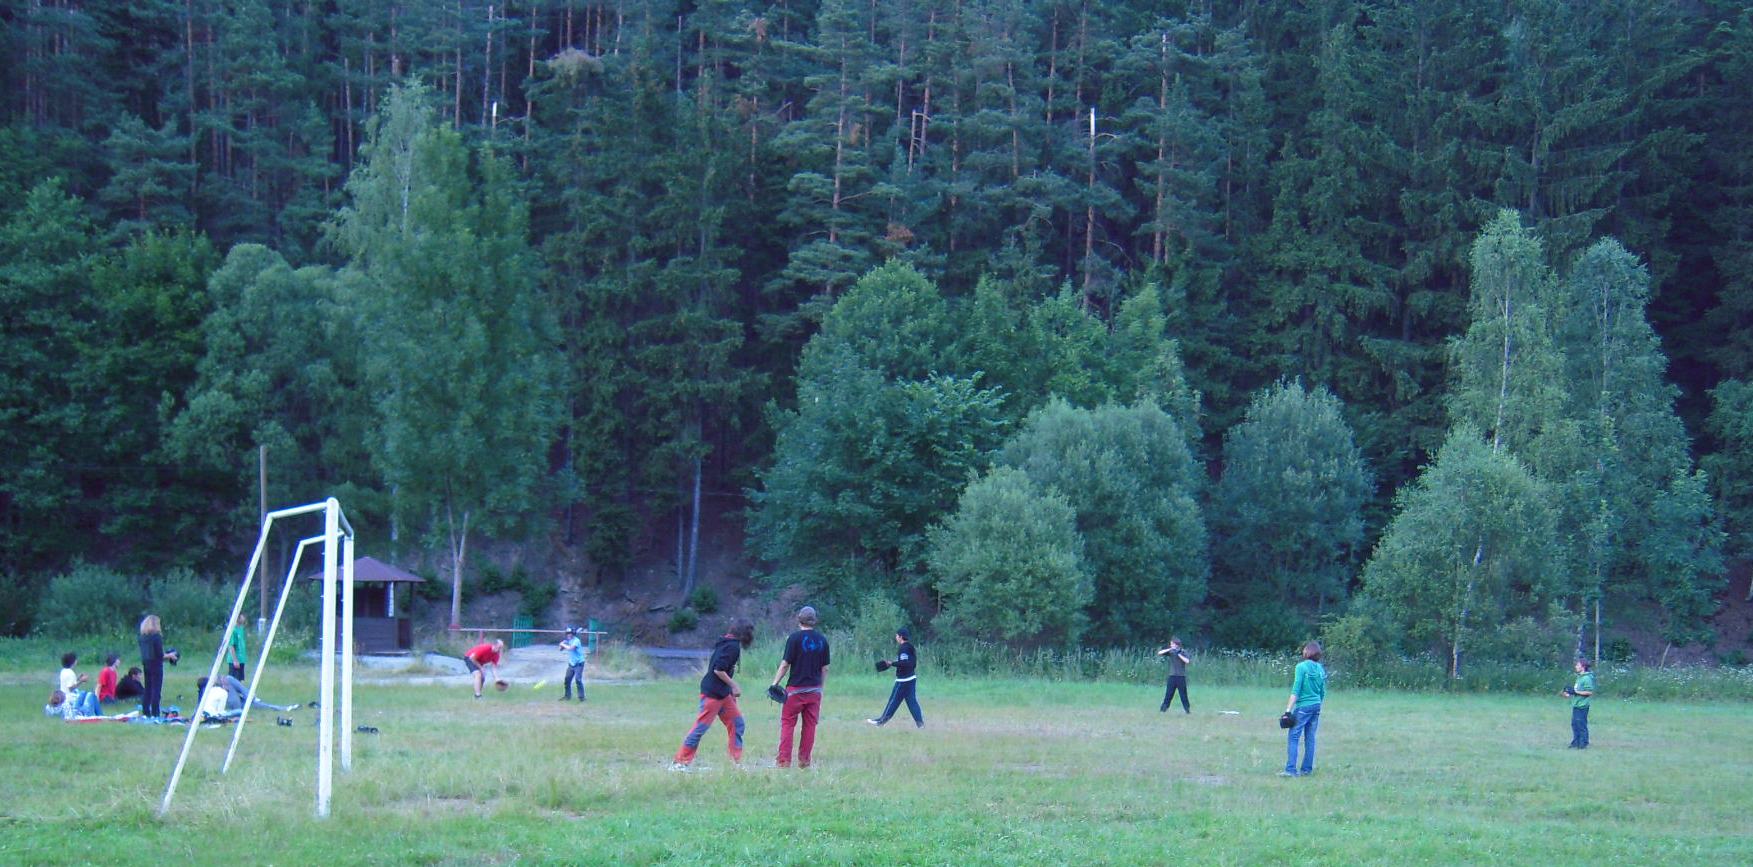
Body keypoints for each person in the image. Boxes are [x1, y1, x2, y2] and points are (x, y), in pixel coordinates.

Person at [671, 620, 756, 770]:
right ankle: (680, 762)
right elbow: (718, 669)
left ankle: (734, 762)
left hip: (723, 694)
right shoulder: (732, 647)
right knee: (700, 728)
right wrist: (734, 685)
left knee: (737, 723)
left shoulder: (726, 642)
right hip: (712, 694)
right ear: (744, 633)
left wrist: (729, 692)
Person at [771, 606, 831, 768]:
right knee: (810, 726)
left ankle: (784, 761)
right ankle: (804, 761)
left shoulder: (794, 639)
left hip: (795, 690)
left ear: (799, 620)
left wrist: (774, 683)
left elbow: (785, 665)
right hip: (814, 690)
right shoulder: (822, 640)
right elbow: (825, 668)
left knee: (788, 724)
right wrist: (820, 687)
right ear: (814, 621)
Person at [1282, 640, 1326, 777]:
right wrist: (1318, 704)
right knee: (1310, 738)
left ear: (1306, 652)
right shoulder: (1320, 668)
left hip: (1303, 707)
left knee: (1294, 736)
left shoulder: (1301, 667)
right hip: (1316, 705)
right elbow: (1322, 691)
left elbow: (1296, 690)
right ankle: (1307, 770)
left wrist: (1288, 711)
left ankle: (1290, 770)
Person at [866, 627, 923, 728]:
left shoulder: (904, 648)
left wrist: (892, 663)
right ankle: (920, 725)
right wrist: (893, 663)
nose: (896, 637)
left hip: (903, 680)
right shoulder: (910, 647)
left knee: (893, 701)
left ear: (901, 637)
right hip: (911, 679)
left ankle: (881, 722)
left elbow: (905, 663)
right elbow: (911, 663)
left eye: (897, 635)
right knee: (912, 703)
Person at [196, 675, 298, 721]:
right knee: (229, 679)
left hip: (235, 702)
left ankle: (284, 708)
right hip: (232, 706)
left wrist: (222, 683)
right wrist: (223, 686)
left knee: (260, 705)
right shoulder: (210, 692)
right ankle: (251, 697)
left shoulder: (213, 688)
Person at [137, 614, 179, 719]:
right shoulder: (156, 637)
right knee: (156, 689)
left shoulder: (142, 637)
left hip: (146, 664)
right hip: (156, 665)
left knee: (148, 688)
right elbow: (160, 655)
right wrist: (171, 655)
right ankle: (155, 712)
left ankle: (146, 711)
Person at [1563, 659, 1596, 749]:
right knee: (1575, 724)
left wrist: (1576, 692)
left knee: (1581, 724)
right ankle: (1576, 742)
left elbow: (1589, 692)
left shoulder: (1587, 678)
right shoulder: (1579, 677)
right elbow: (1577, 690)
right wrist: (1569, 693)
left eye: (1578, 665)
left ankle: (1583, 743)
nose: (1576, 667)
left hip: (1583, 705)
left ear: (1583, 667)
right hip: (1576, 704)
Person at [1156, 636, 1191, 714]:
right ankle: (1163, 709)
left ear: (1177, 644)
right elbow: (1159, 653)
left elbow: (1187, 661)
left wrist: (1179, 654)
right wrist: (1170, 649)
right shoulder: (1171, 652)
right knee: (1169, 694)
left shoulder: (1183, 652)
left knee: (1183, 694)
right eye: (1171, 644)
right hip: (1172, 676)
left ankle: (1187, 710)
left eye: (1172, 644)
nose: (1171, 645)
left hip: (1181, 677)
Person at [559, 628, 586, 703]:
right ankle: (567, 696)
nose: (568, 635)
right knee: (567, 680)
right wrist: (562, 644)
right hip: (571, 664)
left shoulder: (576, 641)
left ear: (573, 634)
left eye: (570, 633)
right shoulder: (568, 640)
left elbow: (571, 648)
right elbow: (560, 649)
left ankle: (582, 697)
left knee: (578, 680)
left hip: (579, 663)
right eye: (567, 633)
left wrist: (563, 644)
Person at [226, 613, 249, 682]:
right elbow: (231, 646)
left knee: (239, 680)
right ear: (238, 617)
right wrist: (235, 660)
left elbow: (245, 624)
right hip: (235, 660)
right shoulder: (233, 630)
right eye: (242, 616)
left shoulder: (241, 628)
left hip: (241, 659)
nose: (244, 618)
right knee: (233, 681)